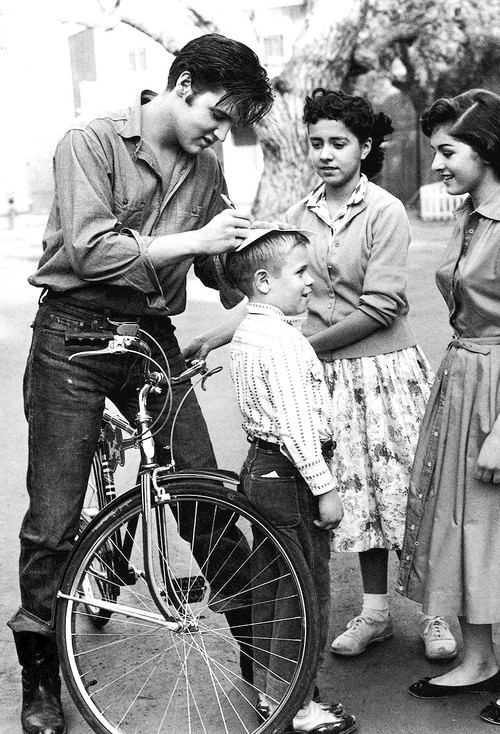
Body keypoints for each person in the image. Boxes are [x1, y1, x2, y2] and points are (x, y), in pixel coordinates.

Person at [7, 33, 273, 734]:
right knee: (55, 516)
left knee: (203, 486)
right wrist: (195, 241)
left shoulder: (207, 160)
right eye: (219, 109)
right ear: (183, 82)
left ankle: (261, 657)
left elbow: (217, 269)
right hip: (74, 336)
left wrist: (253, 250)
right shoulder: (89, 142)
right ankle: (40, 676)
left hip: (150, 334)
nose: (222, 128)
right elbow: (91, 250)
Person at [284, 88, 457, 660]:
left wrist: (309, 347)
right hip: (328, 379)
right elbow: (285, 291)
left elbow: (381, 306)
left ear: (365, 147)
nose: (327, 153)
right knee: (356, 496)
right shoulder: (299, 214)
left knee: (408, 493)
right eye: (317, 143)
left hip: (386, 372)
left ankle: (436, 613)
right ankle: (376, 613)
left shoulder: (384, 210)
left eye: (340, 143)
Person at [226, 226, 356, 734]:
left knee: (275, 587)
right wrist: (324, 488)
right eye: (300, 272)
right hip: (292, 475)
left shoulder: (249, 333)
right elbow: (298, 426)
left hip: (264, 469)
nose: (310, 282)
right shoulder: (281, 341)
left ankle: (272, 692)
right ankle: (296, 707)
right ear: (262, 281)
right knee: (305, 593)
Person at [396, 88, 500, 725]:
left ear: (485, 151)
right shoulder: (474, 215)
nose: (436, 165)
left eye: (447, 152)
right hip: (463, 377)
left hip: (497, 385)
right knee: (468, 527)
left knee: (498, 529)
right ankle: (483, 657)